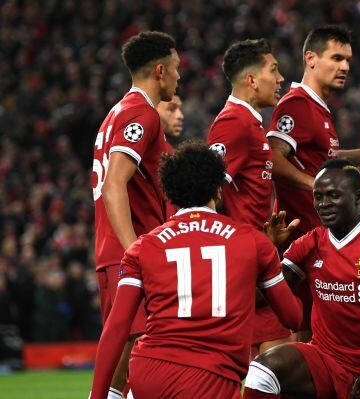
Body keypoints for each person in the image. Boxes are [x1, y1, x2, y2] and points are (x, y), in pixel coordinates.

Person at [89, 141, 302, 399]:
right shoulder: (253, 242)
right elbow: (292, 317)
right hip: (211, 380)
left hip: (148, 377)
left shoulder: (143, 247)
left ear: (169, 194)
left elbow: (116, 328)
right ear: (218, 190)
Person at [242, 159, 360, 399]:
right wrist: (266, 252)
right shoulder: (310, 243)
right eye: (318, 196)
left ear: (357, 196)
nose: (323, 204)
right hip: (324, 361)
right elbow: (261, 299)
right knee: (262, 372)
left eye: (333, 195)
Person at [266, 25, 360, 337]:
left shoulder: (319, 108)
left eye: (347, 59)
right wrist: (317, 185)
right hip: (300, 239)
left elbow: (320, 155)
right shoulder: (296, 105)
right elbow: (273, 157)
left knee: (317, 334)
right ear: (311, 58)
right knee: (301, 335)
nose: (345, 66)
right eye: (336, 57)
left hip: (319, 238)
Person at [91, 31, 179, 398]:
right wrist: (134, 253)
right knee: (133, 355)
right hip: (126, 253)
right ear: (159, 71)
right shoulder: (142, 114)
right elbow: (114, 185)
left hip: (115, 252)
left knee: (134, 359)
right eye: (176, 70)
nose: (179, 78)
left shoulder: (117, 113)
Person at [206, 38, 299, 355]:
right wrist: (234, 251)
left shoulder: (251, 123)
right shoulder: (233, 123)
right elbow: (204, 192)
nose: (280, 78)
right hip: (245, 266)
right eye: (273, 70)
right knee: (281, 367)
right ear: (250, 79)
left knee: (275, 369)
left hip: (258, 257)